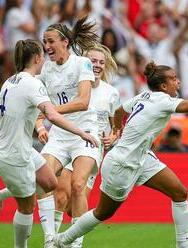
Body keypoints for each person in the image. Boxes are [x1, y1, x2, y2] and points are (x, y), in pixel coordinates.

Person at [54, 61, 188, 248]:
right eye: (173, 79)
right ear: (163, 86)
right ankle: (63, 240)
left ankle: (183, 244)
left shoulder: (144, 95)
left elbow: (119, 111)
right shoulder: (163, 101)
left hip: (142, 158)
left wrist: (117, 132)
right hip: (122, 164)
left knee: (179, 192)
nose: (178, 82)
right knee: (103, 212)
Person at [0, 39, 98, 248]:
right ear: (37, 58)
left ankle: (49, 237)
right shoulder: (33, 84)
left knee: (49, 182)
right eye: (42, 55)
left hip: (20, 146)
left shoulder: (10, 81)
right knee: (26, 207)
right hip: (14, 154)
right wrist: (81, 132)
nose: (44, 58)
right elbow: (52, 116)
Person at [34, 16, 101, 247]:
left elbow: (83, 101)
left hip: (86, 130)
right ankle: (50, 240)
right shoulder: (46, 69)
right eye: (44, 42)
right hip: (60, 134)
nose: (47, 46)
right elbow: (36, 102)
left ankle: (76, 243)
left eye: (51, 41)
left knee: (78, 185)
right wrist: (40, 124)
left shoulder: (82, 63)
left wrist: (49, 111)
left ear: (65, 41)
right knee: (41, 179)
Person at [40, 44, 120, 232]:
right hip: (67, 139)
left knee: (75, 194)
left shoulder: (111, 93)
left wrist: (113, 137)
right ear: (85, 63)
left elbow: (117, 124)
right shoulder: (72, 86)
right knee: (60, 196)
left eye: (101, 62)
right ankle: (52, 241)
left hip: (91, 146)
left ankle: (72, 239)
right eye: (93, 61)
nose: (97, 65)